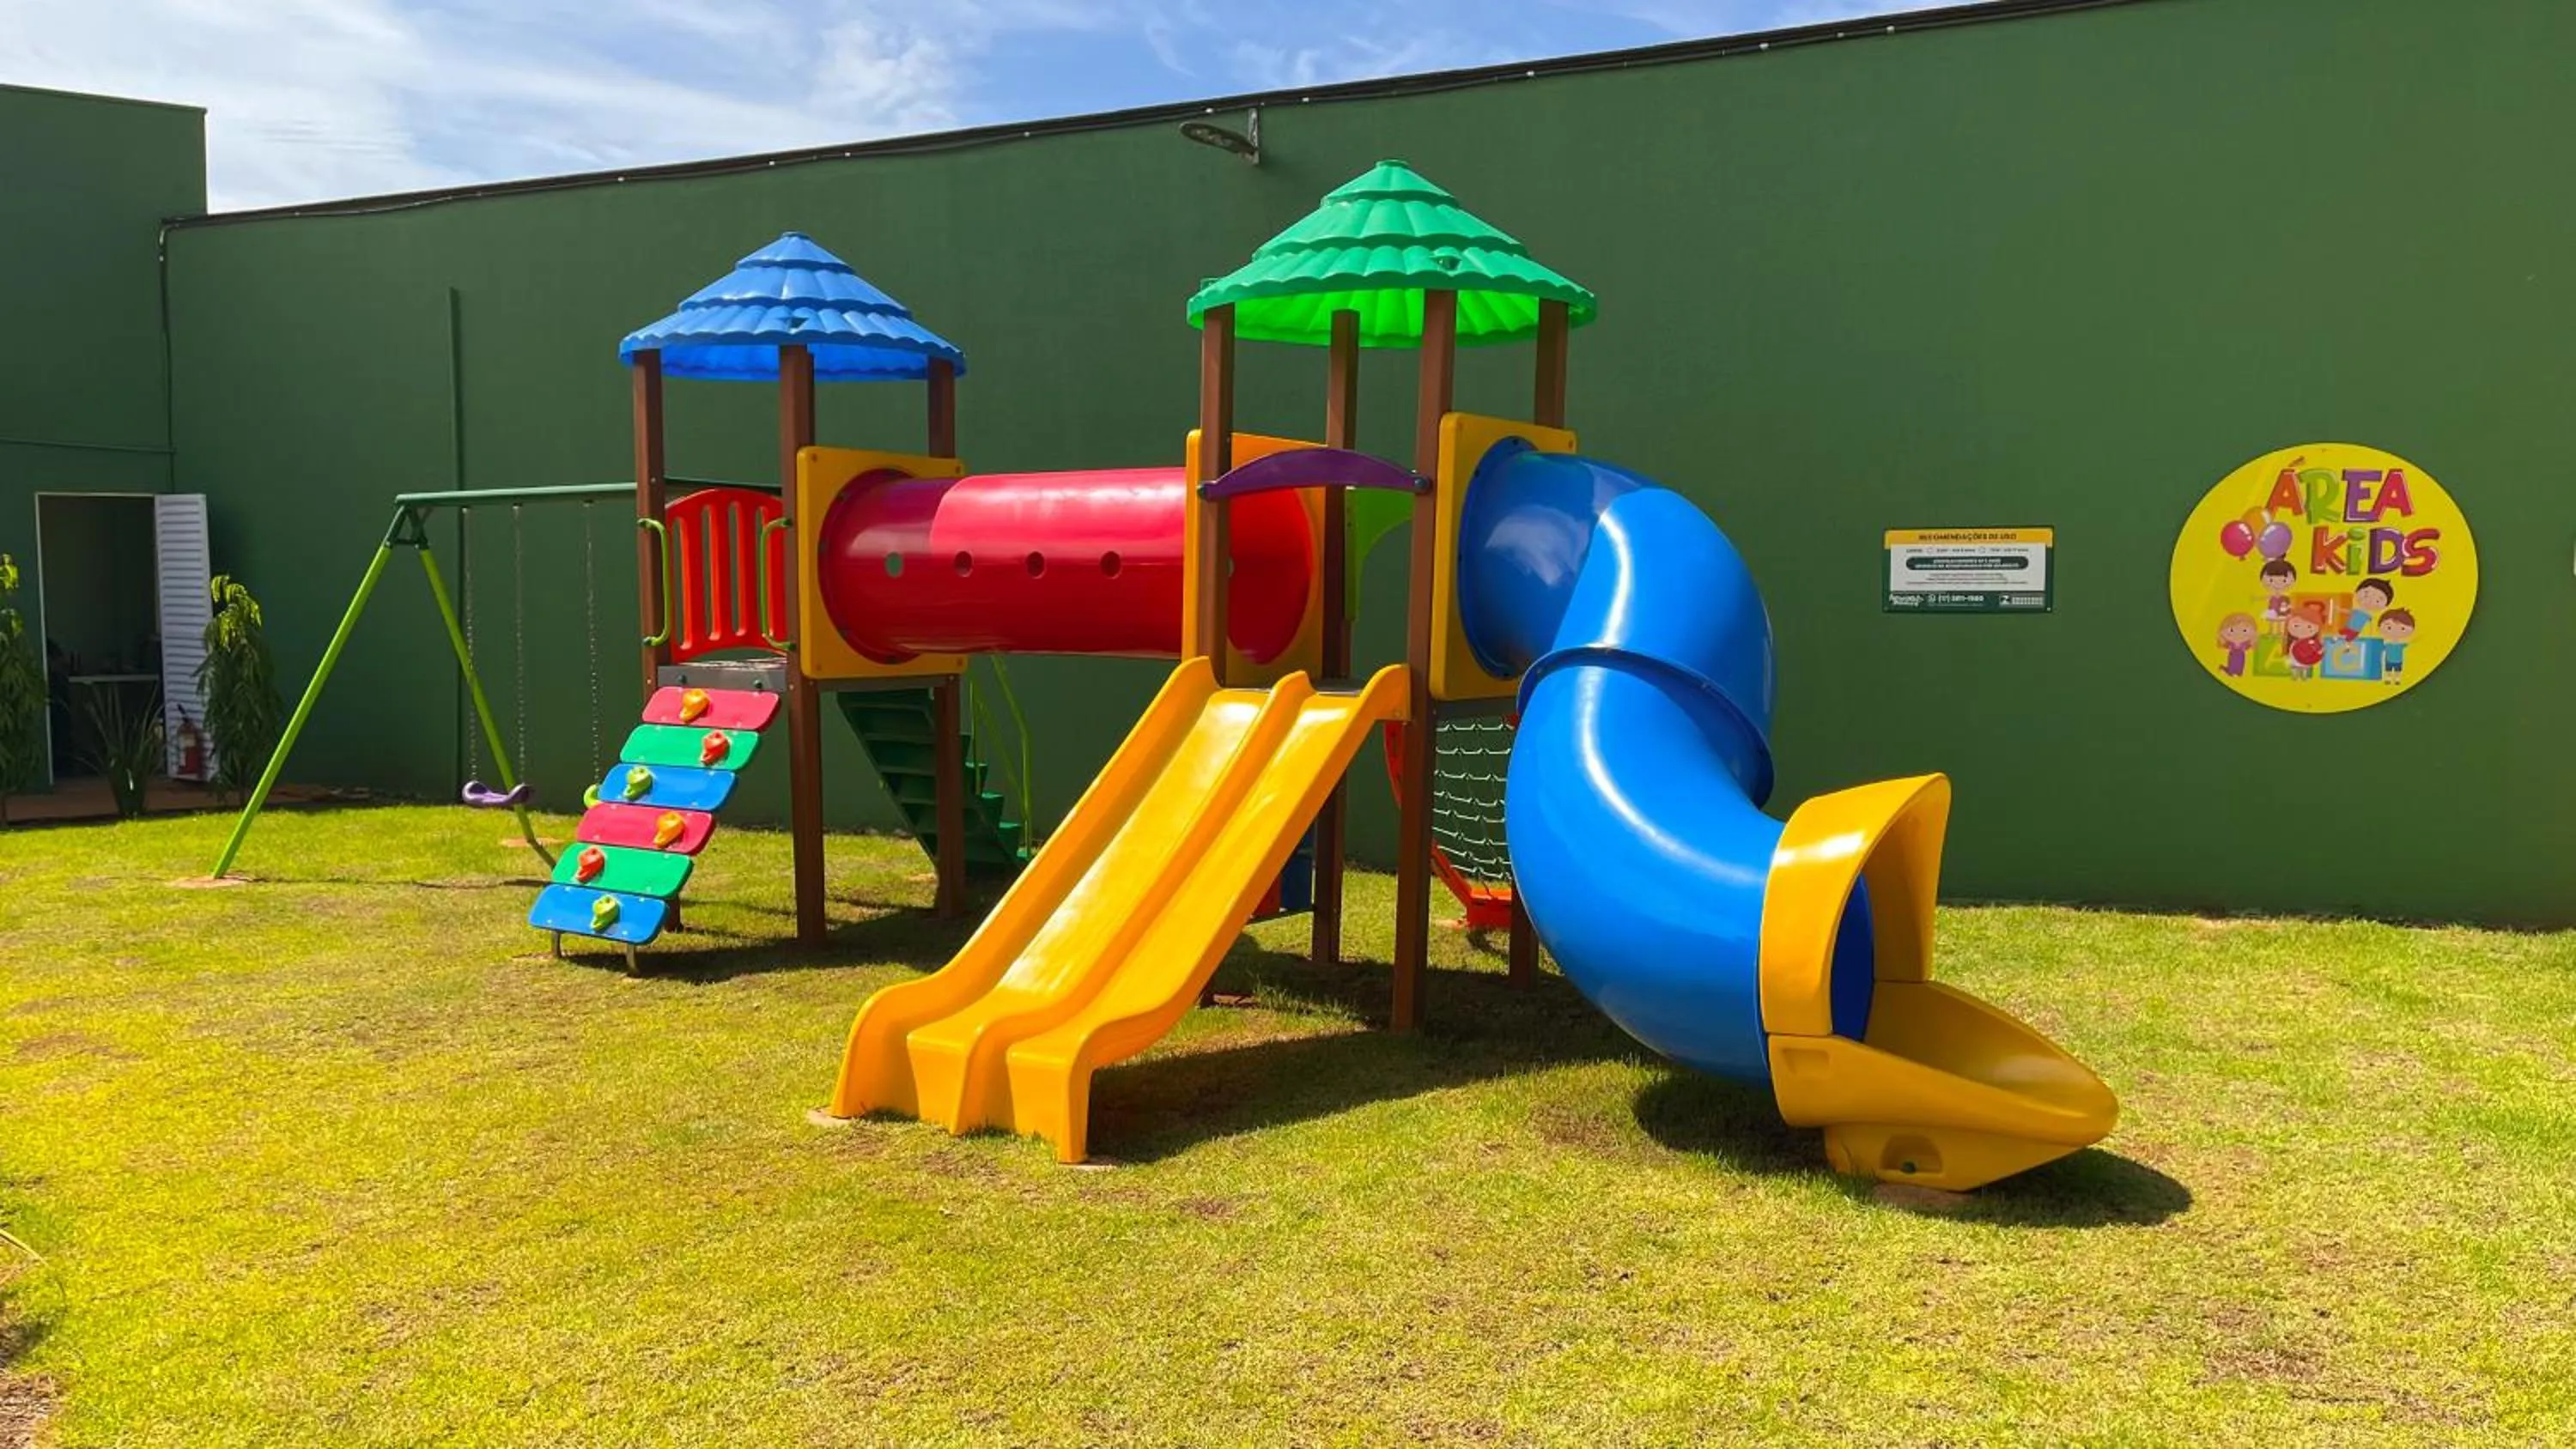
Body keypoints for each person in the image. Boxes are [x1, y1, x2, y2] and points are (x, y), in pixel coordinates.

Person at [2343, 576, 2392, 640]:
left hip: (2355, 632)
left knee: (2348, 639)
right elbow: (2348, 612)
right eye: (2366, 595)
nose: (2370, 601)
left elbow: (2372, 625)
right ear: (2357, 591)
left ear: (2385, 606)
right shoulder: (2357, 611)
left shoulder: (2368, 616)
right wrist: (2339, 610)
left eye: (2377, 601)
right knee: (2341, 635)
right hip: (2347, 627)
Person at [2377, 608, 2415, 683]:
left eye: (2402, 629)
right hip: (2389, 660)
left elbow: (2410, 643)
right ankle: (2388, 679)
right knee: (2388, 670)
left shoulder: (2401, 644)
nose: (2395, 632)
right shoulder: (2387, 643)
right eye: (2389, 627)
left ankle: (2397, 679)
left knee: (2398, 671)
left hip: (2398, 661)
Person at [2215, 612, 2259, 677]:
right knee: (2232, 666)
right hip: (2233, 655)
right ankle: (2228, 670)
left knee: (2240, 665)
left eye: (2244, 630)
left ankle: (2238, 672)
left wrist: (2252, 644)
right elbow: (2225, 645)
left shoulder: (2244, 643)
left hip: (2241, 656)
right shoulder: (2231, 643)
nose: (2238, 634)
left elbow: (2249, 646)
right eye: (2231, 630)